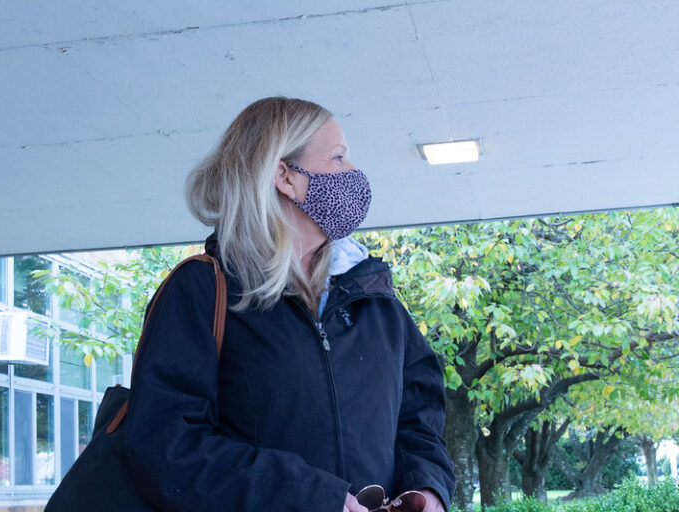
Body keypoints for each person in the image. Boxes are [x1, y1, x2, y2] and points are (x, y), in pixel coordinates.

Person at [124, 97, 456, 511]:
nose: (353, 174)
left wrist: (427, 490)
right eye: (338, 158)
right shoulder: (204, 292)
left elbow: (419, 421)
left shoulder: (376, 300)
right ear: (285, 176)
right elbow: (166, 447)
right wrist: (313, 499)